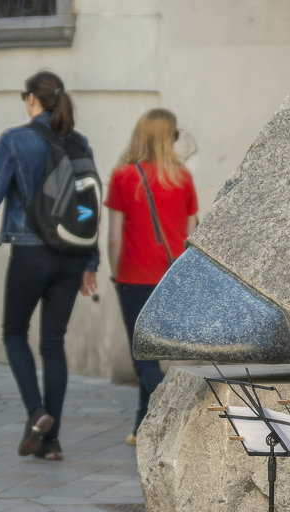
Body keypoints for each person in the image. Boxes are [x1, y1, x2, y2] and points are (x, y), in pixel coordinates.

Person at [0, 71, 99, 462]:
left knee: (14, 332)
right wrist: (91, 261)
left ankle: (36, 412)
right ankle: (52, 443)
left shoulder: (15, 139)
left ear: (31, 100)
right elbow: (91, 205)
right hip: (72, 255)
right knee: (53, 345)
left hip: (30, 252)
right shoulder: (79, 142)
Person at [104, 109, 199, 445]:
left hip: (134, 277)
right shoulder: (183, 179)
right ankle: (139, 426)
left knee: (141, 356)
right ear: (170, 139)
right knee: (153, 350)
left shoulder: (123, 177)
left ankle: (174, 411)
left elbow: (115, 236)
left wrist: (115, 273)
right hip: (171, 278)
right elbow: (191, 236)